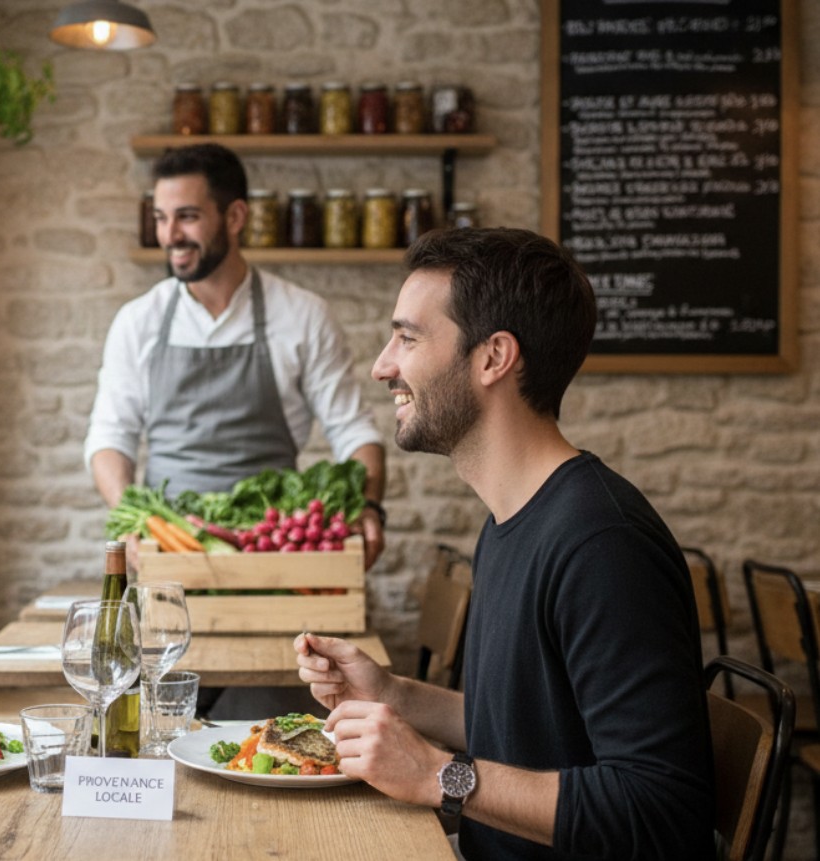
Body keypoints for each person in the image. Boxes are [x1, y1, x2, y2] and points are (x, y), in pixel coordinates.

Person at [296, 228, 713, 859]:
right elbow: (531, 730)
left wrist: (437, 775)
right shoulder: (510, 519)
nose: (384, 365)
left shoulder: (602, 545)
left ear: (494, 357)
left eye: (408, 338)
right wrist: (393, 696)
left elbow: (661, 810)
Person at [84, 143, 388, 565]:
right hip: (170, 549)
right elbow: (109, 439)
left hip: (275, 550)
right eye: (160, 218)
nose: (169, 236)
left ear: (235, 217)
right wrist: (136, 520)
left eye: (187, 217)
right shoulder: (138, 322)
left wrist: (368, 506)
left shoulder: (303, 316)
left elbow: (354, 433)